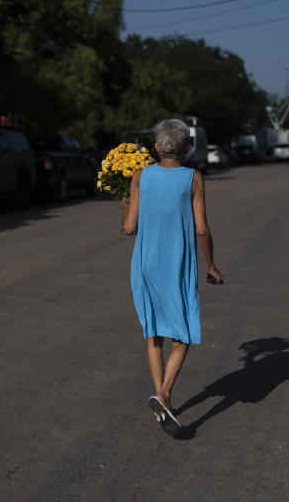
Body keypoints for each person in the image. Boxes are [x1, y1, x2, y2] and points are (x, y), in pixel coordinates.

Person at [120, 118, 223, 430]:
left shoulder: (140, 175)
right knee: (184, 333)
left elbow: (128, 227)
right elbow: (201, 230)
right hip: (176, 265)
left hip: (145, 263)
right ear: (188, 148)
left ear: (155, 147)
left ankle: (161, 402)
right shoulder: (193, 178)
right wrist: (211, 265)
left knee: (154, 331)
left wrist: (125, 203)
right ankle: (164, 393)